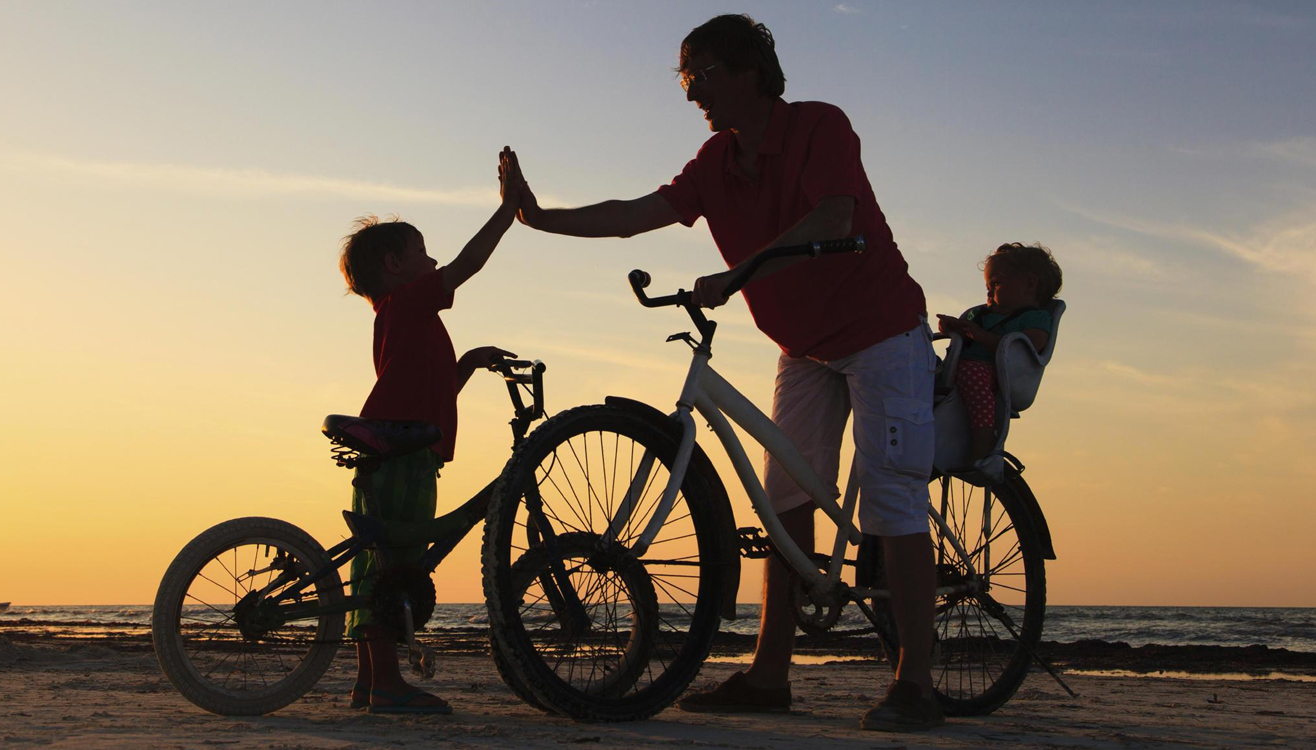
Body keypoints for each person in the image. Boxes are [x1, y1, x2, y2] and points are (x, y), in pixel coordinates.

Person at [509, 14, 943, 731]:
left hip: (881, 334)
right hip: (803, 347)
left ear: (749, 70)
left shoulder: (818, 126)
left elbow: (834, 217)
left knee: (892, 503)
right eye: (684, 79)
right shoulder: (716, 161)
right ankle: (770, 677)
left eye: (701, 76)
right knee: (784, 505)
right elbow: (634, 213)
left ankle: (916, 685)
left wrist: (741, 271)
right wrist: (539, 217)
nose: (690, 95)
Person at [336, 147, 524, 714]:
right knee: (398, 567)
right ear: (396, 265)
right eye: (421, 250)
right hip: (402, 459)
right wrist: (507, 210)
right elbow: (466, 265)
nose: (433, 258)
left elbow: (429, 395)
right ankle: (389, 685)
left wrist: (467, 362)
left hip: (397, 447)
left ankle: (371, 682)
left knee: (381, 565)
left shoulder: (401, 320)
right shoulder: (410, 305)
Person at [937, 242, 1062, 464]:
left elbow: (1029, 347)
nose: (988, 291)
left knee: (972, 373)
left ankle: (983, 435)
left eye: (995, 284)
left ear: (1029, 285)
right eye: (987, 285)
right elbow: (965, 331)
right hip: (958, 367)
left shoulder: (1035, 318)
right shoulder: (979, 314)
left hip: (997, 374)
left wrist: (980, 336)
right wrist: (953, 328)